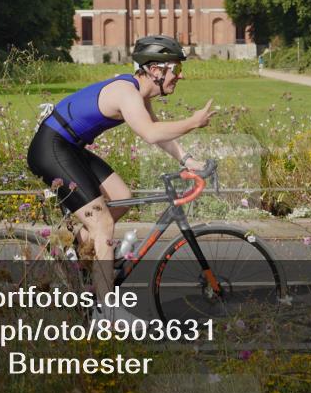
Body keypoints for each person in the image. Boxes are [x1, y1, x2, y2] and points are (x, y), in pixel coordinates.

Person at [26, 35, 214, 321]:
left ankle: (82, 245)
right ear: (155, 70)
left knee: (122, 198)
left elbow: (155, 130)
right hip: (51, 148)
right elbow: (150, 133)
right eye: (175, 68)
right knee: (103, 222)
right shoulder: (127, 93)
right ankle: (106, 310)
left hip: (68, 147)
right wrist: (193, 122)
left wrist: (187, 160)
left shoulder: (139, 92)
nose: (180, 75)